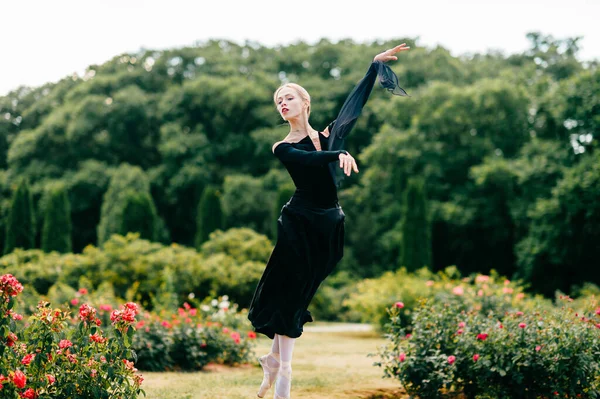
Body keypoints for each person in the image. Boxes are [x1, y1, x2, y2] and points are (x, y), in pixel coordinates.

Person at [247, 43, 410, 399]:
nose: (283, 103)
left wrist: (373, 66)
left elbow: (354, 106)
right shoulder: (282, 146)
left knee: (299, 293)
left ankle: (272, 360)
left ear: (305, 103)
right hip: (298, 223)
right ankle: (284, 374)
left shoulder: (327, 135)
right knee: (289, 292)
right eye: (279, 101)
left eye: (288, 97)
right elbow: (309, 163)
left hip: (329, 224)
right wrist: (340, 153)